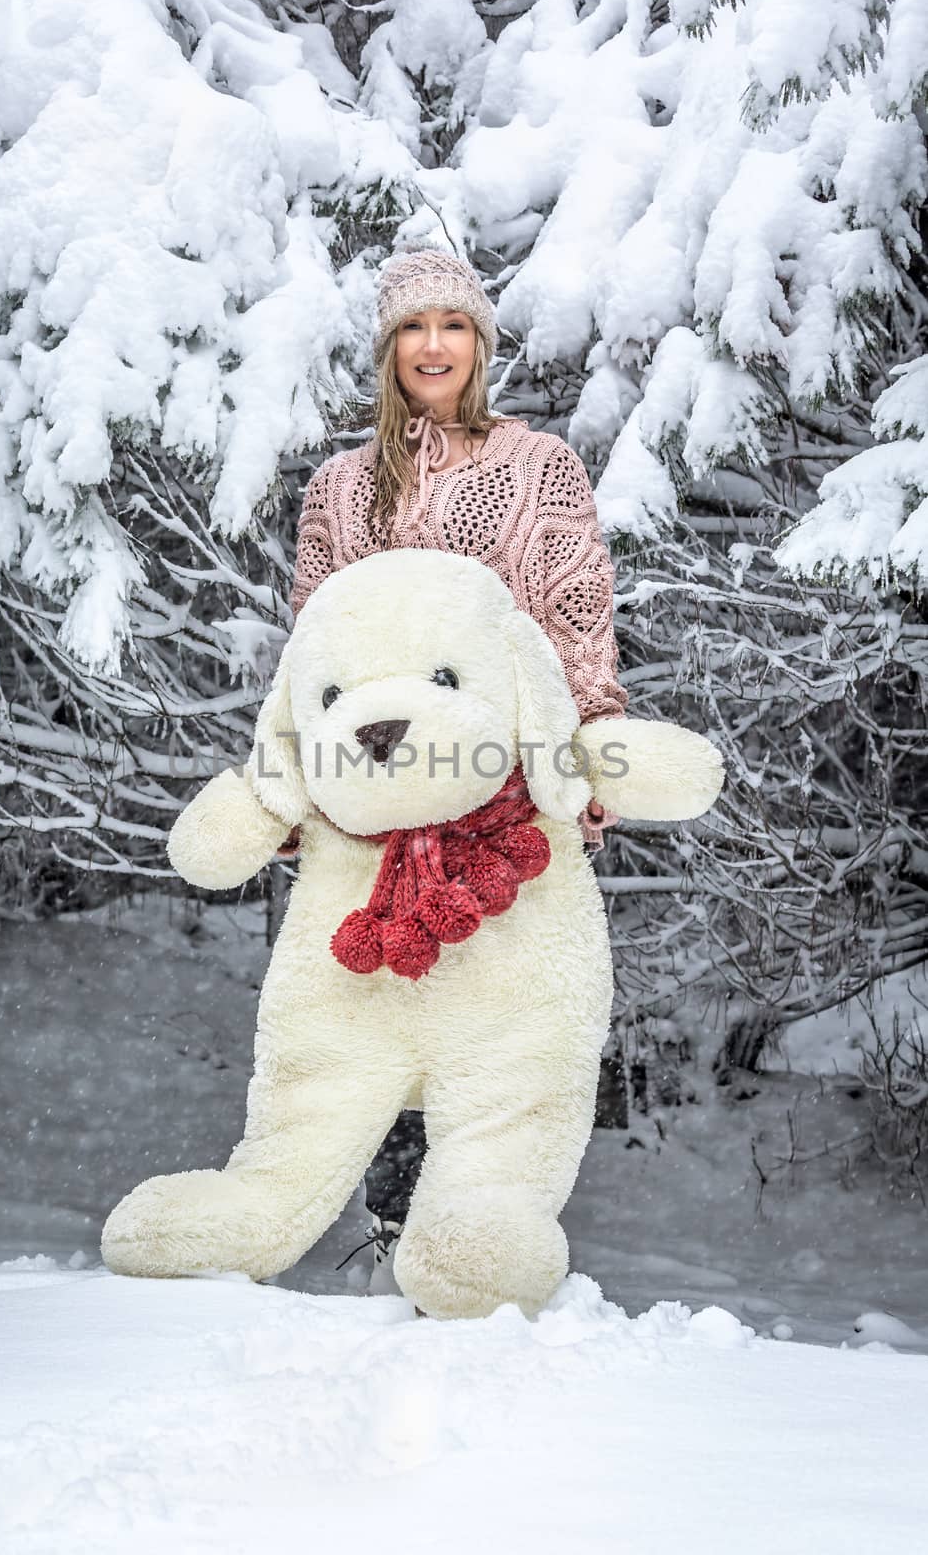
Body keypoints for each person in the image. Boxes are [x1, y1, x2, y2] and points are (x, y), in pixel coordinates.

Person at [274, 243, 628, 1278]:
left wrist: (587, 760)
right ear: (387, 349)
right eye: (413, 328)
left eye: (454, 325)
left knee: (500, 1033)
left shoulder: (538, 468)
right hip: (367, 811)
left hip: (498, 795)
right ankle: (391, 1253)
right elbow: (311, 648)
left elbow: (577, 622)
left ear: (479, 345)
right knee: (376, 1025)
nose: (433, 345)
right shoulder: (338, 490)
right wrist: (298, 781)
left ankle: (472, 1247)